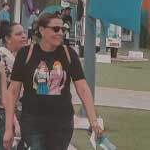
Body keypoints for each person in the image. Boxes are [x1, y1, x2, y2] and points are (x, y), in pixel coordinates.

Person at [6, 13, 102, 150]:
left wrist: (93, 121)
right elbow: (12, 92)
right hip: (32, 123)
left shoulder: (69, 54)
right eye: (55, 29)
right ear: (41, 30)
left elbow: (83, 89)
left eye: (63, 30)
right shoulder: (26, 54)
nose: (60, 33)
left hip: (61, 125)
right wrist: (9, 127)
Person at [0, 22, 27, 145]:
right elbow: (3, 93)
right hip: (4, 114)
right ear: (7, 39)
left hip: (22, 111)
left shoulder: (22, 55)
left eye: (23, 33)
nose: (23, 36)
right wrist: (14, 121)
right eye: (18, 34)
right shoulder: (1, 57)